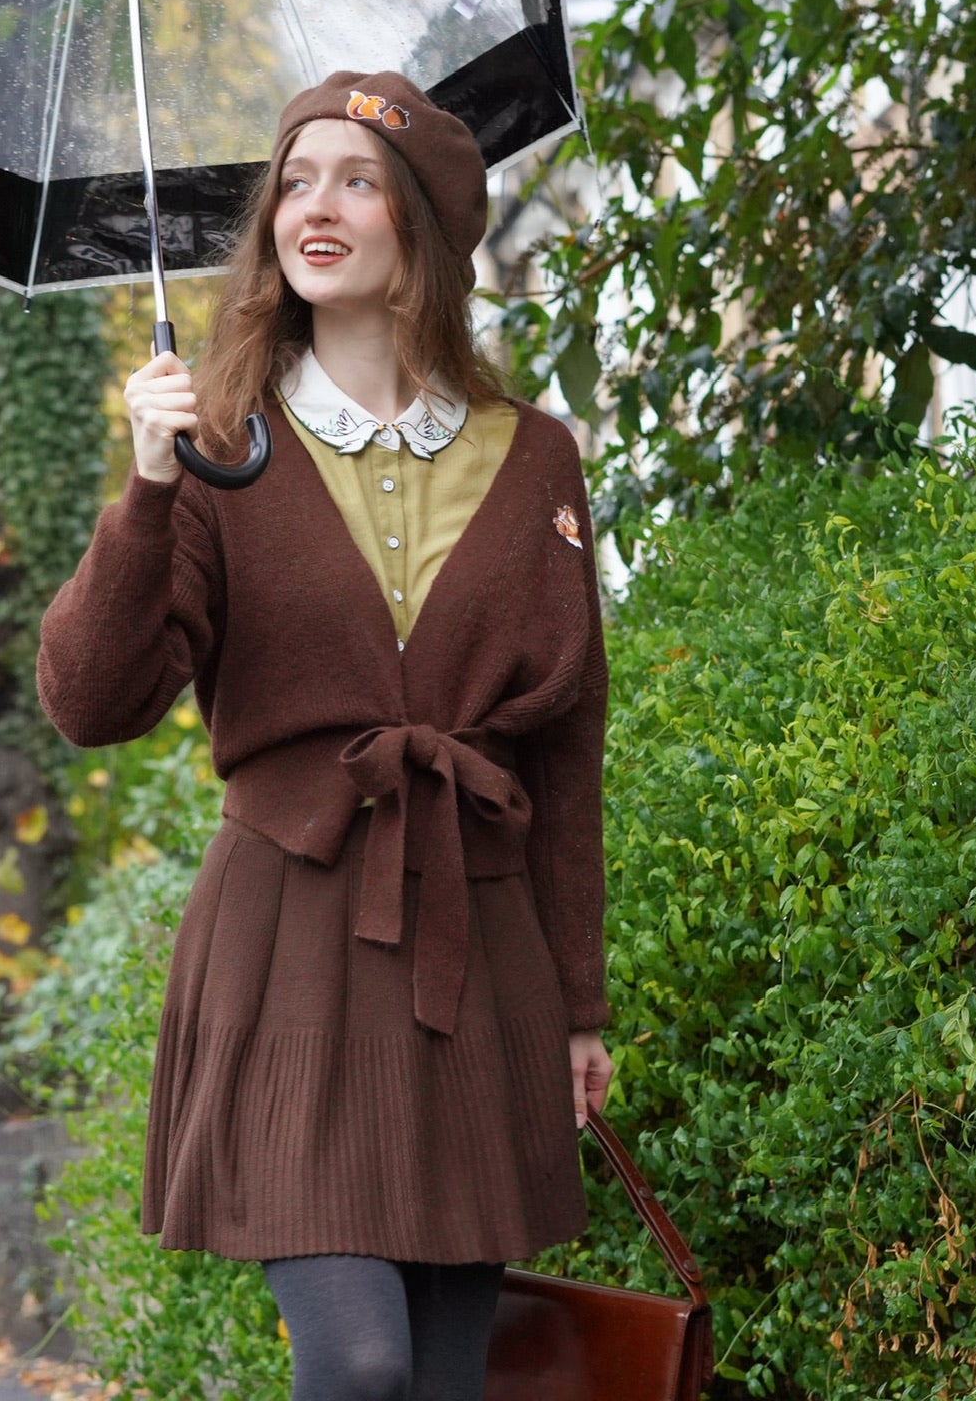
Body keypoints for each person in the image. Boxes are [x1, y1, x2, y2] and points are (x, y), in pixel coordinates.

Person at [38, 71, 612, 1401]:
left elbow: (567, 753)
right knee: (358, 1364)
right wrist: (147, 484)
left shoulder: (536, 459)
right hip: (289, 935)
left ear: (417, 225)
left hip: (480, 946)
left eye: (355, 179)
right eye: (295, 181)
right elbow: (89, 698)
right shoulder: (218, 448)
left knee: (453, 1376)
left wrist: (581, 1006)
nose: (317, 206)